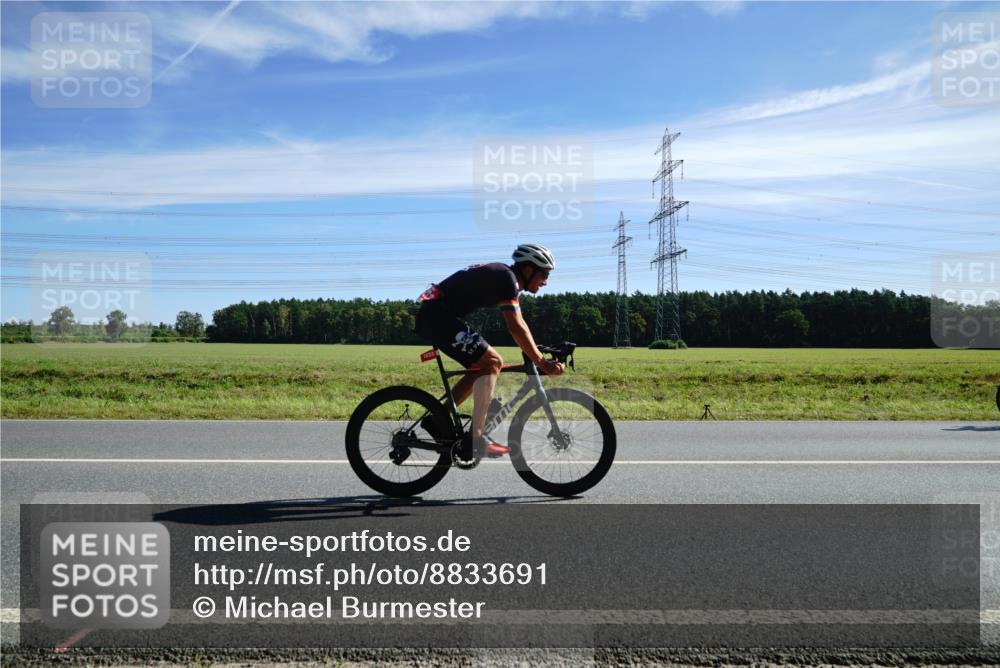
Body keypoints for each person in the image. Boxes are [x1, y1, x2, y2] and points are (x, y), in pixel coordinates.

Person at [415, 243, 565, 458]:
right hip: (438, 317)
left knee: (482, 367)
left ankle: (439, 418)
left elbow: (519, 323)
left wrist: (536, 350)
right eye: (544, 274)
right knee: (492, 362)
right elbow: (514, 327)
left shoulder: (506, 278)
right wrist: (542, 362)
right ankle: (476, 437)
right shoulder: (506, 278)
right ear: (529, 270)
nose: (546, 281)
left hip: (438, 316)